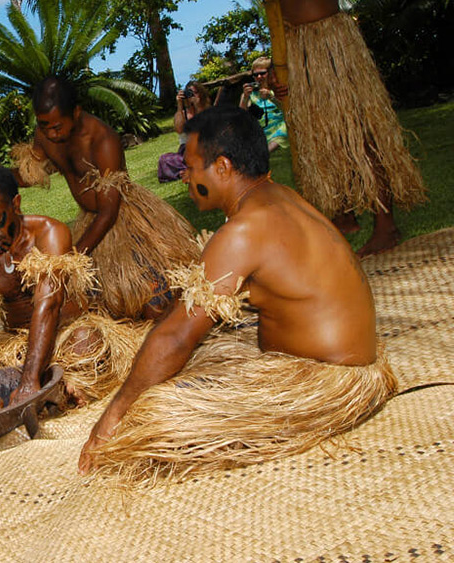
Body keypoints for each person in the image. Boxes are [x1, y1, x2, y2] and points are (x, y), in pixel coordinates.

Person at [78, 106, 396, 480]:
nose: (185, 177)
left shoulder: (243, 232)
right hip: (352, 362)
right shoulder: (280, 196)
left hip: (328, 381)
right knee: (195, 359)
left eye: (192, 166)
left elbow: (178, 336)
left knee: (153, 415)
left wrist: (112, 417)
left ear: (223, 168)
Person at [0, 166, 149, 450]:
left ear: (15, 205)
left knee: (87, 344)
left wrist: (30, 382)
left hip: (67, 333)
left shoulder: (49, 233)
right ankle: (53, 391)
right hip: (17, 343)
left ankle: (59, 383)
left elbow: (49, 304)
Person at [0, 76, 200, 320]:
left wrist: (73, 258)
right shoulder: (44, 135)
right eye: (44, 125)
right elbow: (30, 175)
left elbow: (109, 211)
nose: (51, 133)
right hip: (90, 219)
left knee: (152, 302)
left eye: (57, 126)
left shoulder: (103, 140)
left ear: (76, 112)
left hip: (125, 222)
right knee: (98, 307)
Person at [278, 0, 426, 256]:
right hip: (300, 44)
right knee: (323, 136)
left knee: (360, 137)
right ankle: (343, 213)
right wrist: (283, 65)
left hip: (329, 41)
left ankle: (386, 226)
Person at [158, 81, 213, 182]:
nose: (193, 96)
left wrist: (197, 107)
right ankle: (189, 170)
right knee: (164, 160)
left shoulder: (207, 111)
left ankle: (190, 170)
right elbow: (179, 129)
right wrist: (180, 105)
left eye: (195, 93)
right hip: (186, 152)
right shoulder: (183, 114)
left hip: (205, 147)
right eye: (190, 93)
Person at [238, 57, 288, 152]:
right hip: (260, 131)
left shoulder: (278, 90)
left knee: (286, 125)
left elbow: (287, 110)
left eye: (263, 73)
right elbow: (241, 118)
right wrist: (245, 98)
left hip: (280, 128)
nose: (259, 77)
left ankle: (265, 152)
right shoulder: (249, 95)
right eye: (256, 75)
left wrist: (271, 98)